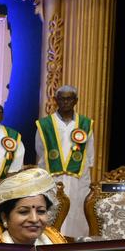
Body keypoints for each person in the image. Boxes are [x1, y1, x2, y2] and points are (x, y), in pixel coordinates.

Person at [35, 85, 93, 238]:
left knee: (77, 214)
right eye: (62, 98)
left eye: (69, 99)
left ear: (76, 101)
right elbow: (40, 152)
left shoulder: (86, 124)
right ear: (55, 100)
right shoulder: (45, 124)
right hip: (53, 178)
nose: (65, 102)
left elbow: (89, 153)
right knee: (51, 212)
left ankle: (74, 248)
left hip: (78, 179)